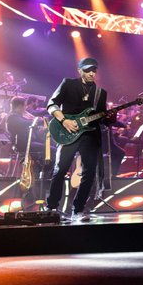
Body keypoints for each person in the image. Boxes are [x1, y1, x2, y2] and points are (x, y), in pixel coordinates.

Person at [46, 57, 112, 222]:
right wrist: (64, 120)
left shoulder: (100, 93)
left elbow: (101, 117)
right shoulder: (68, 84)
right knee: (60, 170)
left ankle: (78, 210)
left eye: (94, 70)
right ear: (80, 70)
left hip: (90, 135)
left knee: (88, 173)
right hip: (68, 132)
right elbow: (52, 104)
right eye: (88, 70)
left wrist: (109, 118)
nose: (91, 73)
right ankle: (52, 208)